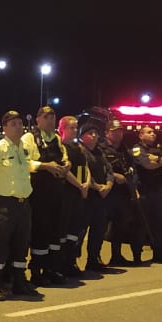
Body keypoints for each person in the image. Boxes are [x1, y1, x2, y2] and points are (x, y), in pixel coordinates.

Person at [0, 110, 42, 301]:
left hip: (24, 204)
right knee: (0, 245)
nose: (18, 126)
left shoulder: (24, 148)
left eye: (20, 123)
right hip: (5, 203)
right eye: (13, 123)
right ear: (5, 128)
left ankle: (19, 283)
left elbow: (30, 166)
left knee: (21, 245)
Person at [21, 105, 69, 285]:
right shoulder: (29, 138)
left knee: (54, 232)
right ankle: (36, 271)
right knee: (40, 231)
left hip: (56, 192)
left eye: (53, 117)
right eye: (47, 117)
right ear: (38, 119)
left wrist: (66, 165)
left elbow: (64, 157)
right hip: (38, 193)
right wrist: (45, 166)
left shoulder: (56, 138)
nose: (50, 120)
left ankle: (51, 268)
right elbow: (25, 162)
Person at [97, 120, 140, 266]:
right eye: (114, 131)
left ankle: (117, 255)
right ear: (107, 133)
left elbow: (132, 169)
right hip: (108, 193)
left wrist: (132, 184)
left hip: (123, 194)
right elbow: (99, 168)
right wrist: (115, 176)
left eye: (119, 131)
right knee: (101, 226)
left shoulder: (125, 150)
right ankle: (95, 258)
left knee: (120, 227)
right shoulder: (100, 148)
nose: (117, 134)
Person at [130, 125, 162, 263]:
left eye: (153, 132)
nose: (153, 134)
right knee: (142, 224)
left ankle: (158, 254)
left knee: (158, 223)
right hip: (144, 191)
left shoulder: (160, 148)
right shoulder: (137, 149)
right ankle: (137, 256)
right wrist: (161, 161)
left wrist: (156, 159)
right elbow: (146, 165)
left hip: (159, 190)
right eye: (149, 132)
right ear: (141, 135)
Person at [57, 115, 91, 278]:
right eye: (71, 127)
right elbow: (66, 171)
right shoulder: (62, 147)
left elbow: (86, 167)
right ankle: (61, 264)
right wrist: (79, 185)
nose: (75, 130)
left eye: (76, 127)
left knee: (75, 230)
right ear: (62, 129)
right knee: (64, 229)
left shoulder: (80, 148)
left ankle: (71, 261)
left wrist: (86, 184)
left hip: (80, 194)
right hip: (67, 193)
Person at [78, 123, 114, 275]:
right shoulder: (80, 152)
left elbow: (109, 170)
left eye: (96, 133)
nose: (93, 136)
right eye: (89, 133)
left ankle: (94, 258)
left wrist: (109, 185)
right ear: (82, 136)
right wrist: (98, 187)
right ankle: (73, 261)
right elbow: (83, 174)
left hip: (101, 198)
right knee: (80, 231)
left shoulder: (100, 152)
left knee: (99, 229)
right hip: (86, 198)